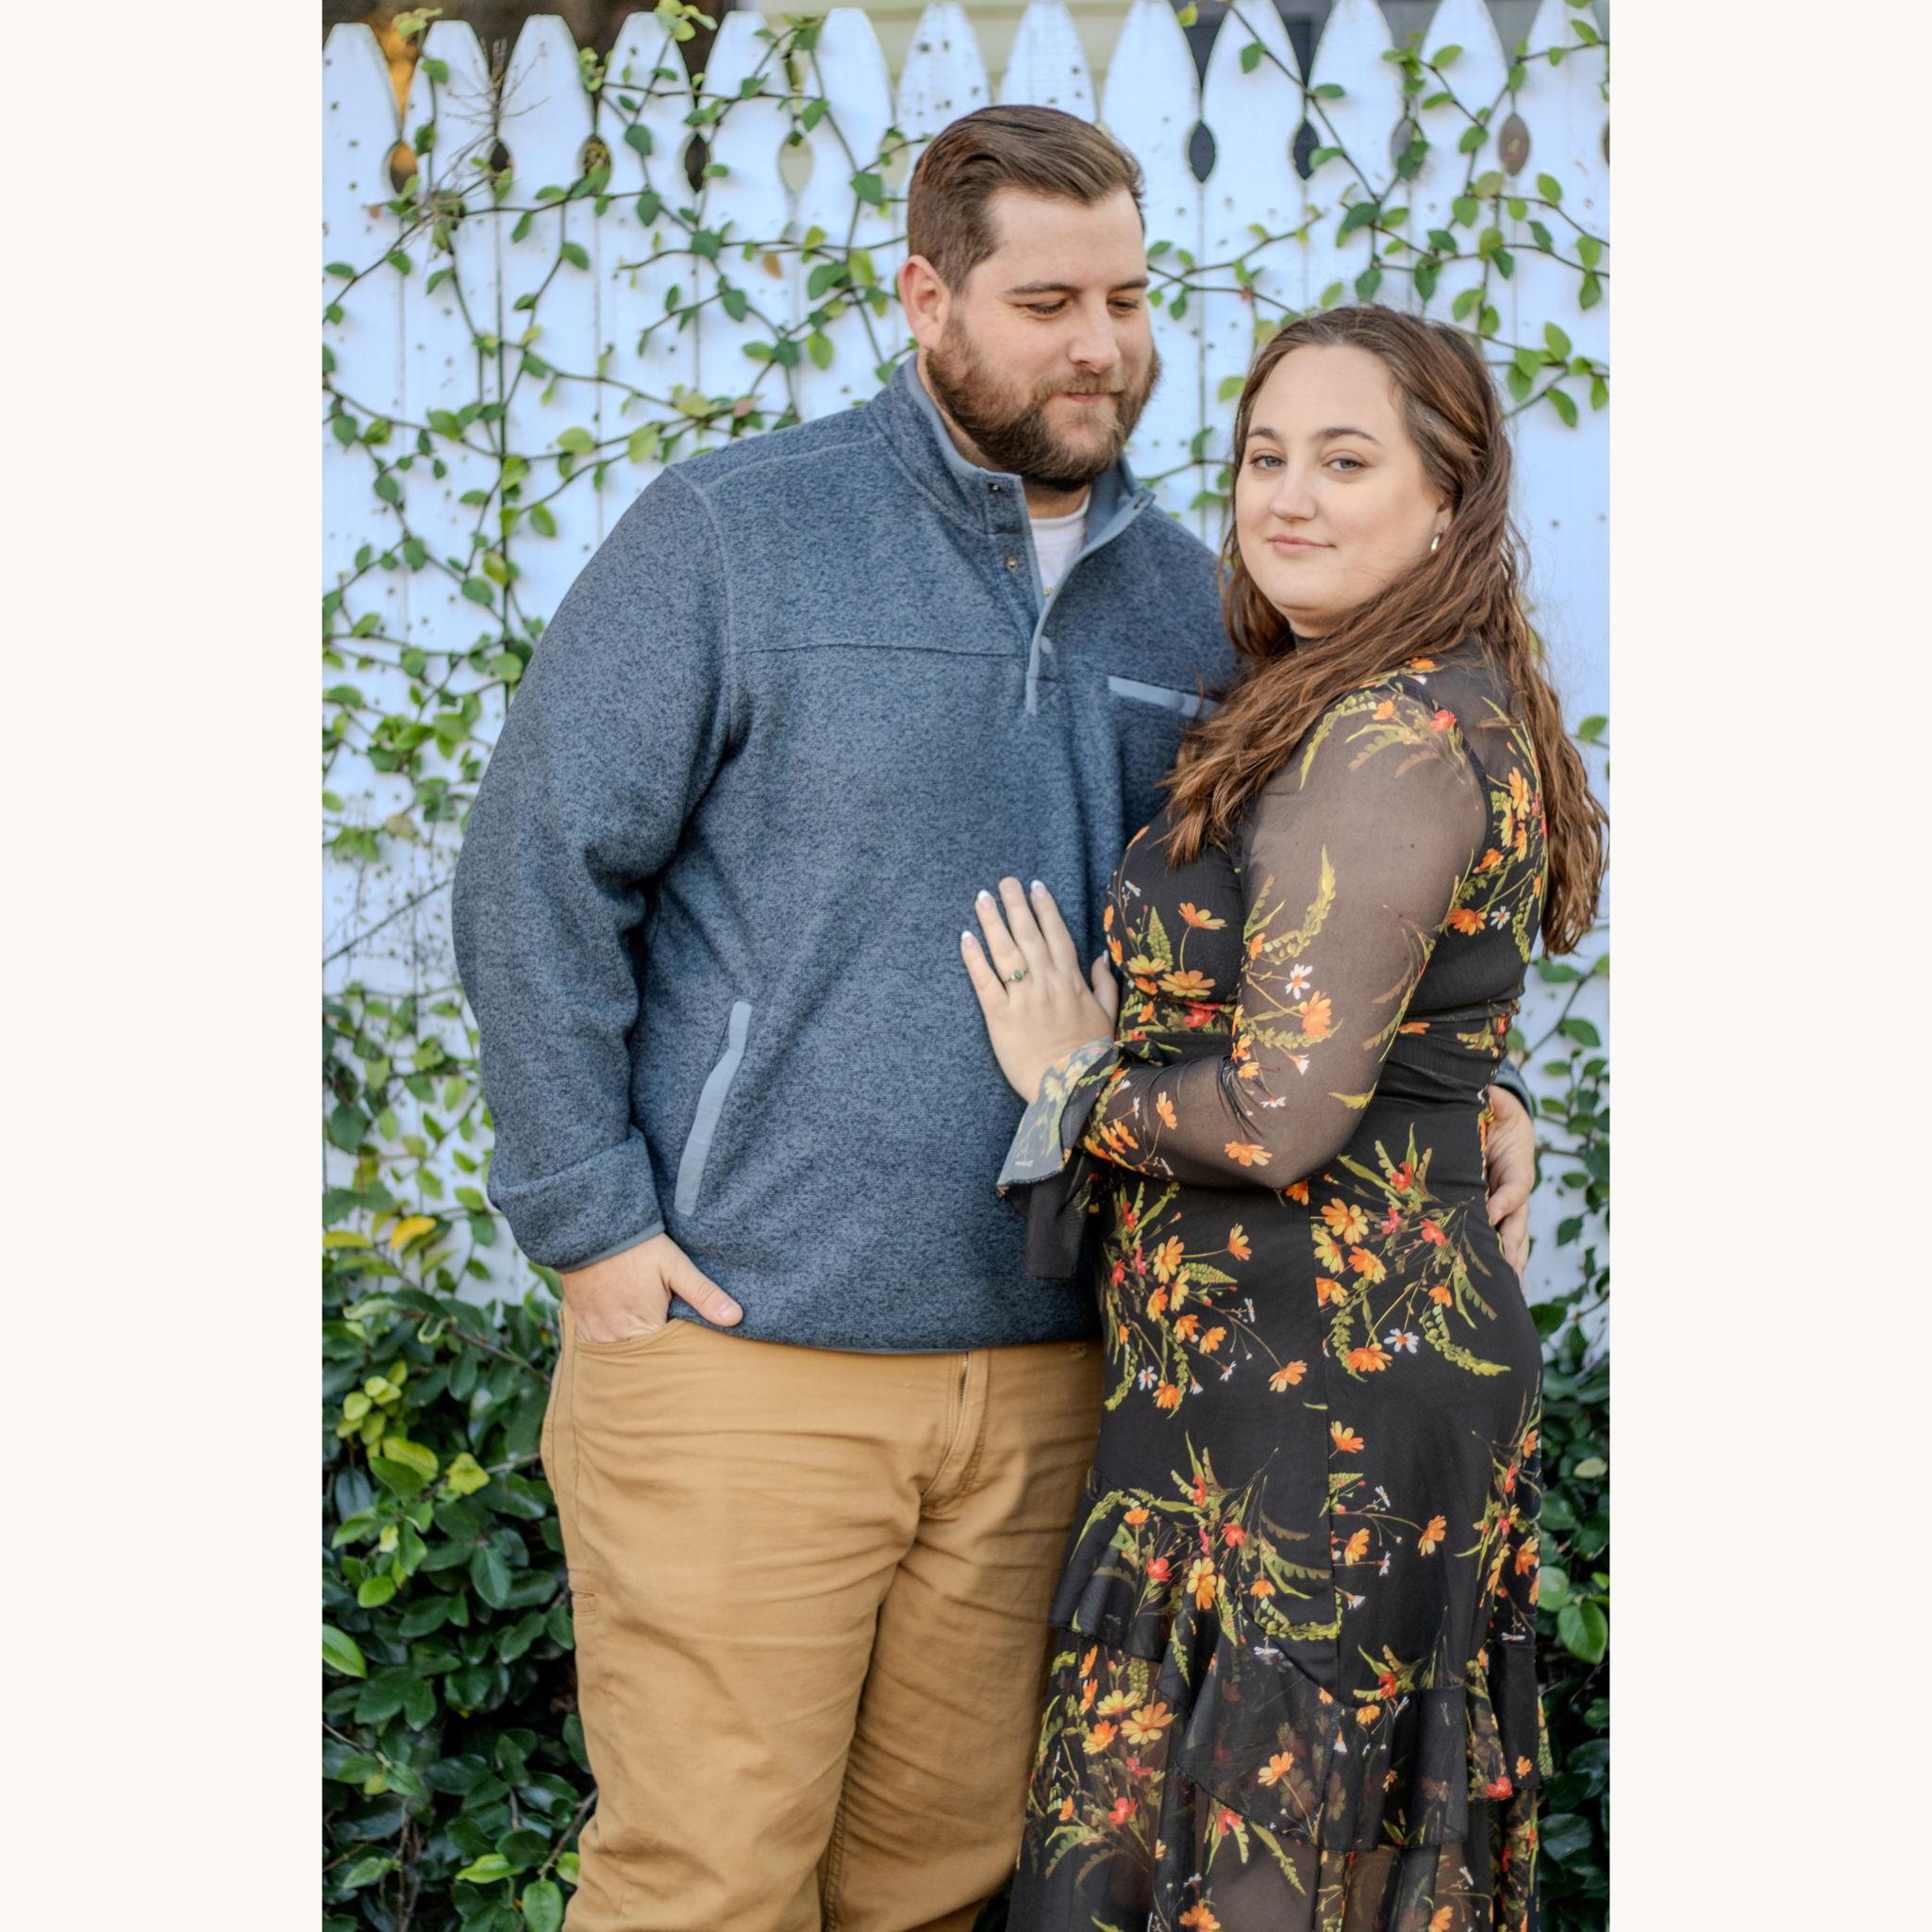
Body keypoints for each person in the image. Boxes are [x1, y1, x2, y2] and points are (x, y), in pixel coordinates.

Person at [452, 106, 1540, 1932]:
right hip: (750, 1346)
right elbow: (537, 864)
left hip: (1062, 1369)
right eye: (1046, 304)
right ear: (924, 298)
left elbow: (1311, 927)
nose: (1099, 345)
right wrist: (591, 1223)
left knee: (940, 1890)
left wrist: (1463, 1088)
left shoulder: (1208, 602)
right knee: (704, 1881)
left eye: (1127, 298)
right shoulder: (736, 535)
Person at [964, 306, 1605, 1932]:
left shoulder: (1388, 733)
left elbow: (1277, 1115)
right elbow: (1409, 1026)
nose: (1289, 496)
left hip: (1320, 1390)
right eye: (1265, 456)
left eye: (1345, 460)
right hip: (1266, 1375)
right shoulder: (1360, 695)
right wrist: (1487, 1102)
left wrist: (1068, 1080)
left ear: (1448, 500)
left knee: (1258, 1877)